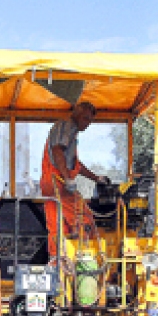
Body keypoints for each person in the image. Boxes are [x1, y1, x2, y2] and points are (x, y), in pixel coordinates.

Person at [39, 101, 112, 255]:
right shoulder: (67, 126)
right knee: (84, 219)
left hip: (51, 185)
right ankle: (84, 258)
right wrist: (68, 179)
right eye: (85, 118)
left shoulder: (69, 132)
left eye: (90, 121)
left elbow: (75, 165)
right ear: (77, 115)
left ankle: (58, 263)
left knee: (57, 226)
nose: (87, 124)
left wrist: (95, 178)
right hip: (59, 183)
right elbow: (58, 150)